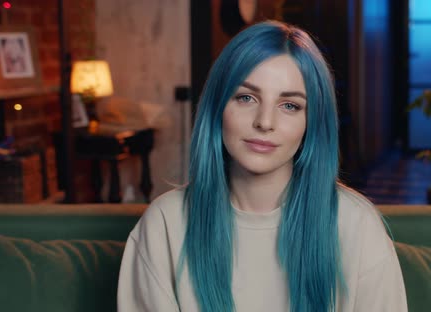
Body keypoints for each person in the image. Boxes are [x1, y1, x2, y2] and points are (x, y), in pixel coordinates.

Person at [117, 20, 407, 312]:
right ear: (218, 107)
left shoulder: (357, 225)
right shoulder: (164, 225)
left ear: (311, 123)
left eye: (290, 105)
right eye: (246, 98)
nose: (265, 122)